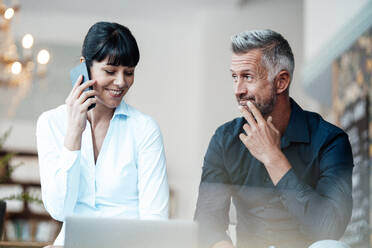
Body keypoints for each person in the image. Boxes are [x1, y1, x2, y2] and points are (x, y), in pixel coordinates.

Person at [194, 29, 353, 248]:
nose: (238, 90)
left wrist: (272, 157)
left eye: (247, 77)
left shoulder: (330, 141)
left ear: (281, 82)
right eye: (234, 77)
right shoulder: (225, 140)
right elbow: (207, 219)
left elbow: (329, 228)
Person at [36, 22, 169, 246]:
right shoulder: (51, 123)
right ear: (84, 67)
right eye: (110, 71)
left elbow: (155, 219)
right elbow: (59, 210)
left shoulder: (145, 129)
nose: (121, 82)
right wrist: (73, 134)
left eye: (129, 73)